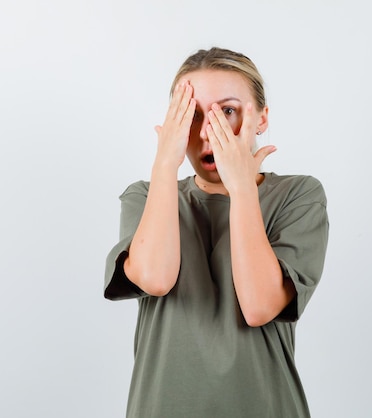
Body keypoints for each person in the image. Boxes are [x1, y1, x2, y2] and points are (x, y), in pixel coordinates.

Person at [104, 47, 329, 418]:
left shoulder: (299, 195)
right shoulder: (146, 196)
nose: (209, 131)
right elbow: (155, 279)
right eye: (191, 115)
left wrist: (242, 188)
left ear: (261, 118)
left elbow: (259, 306)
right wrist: (165, 164)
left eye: (227, 111)